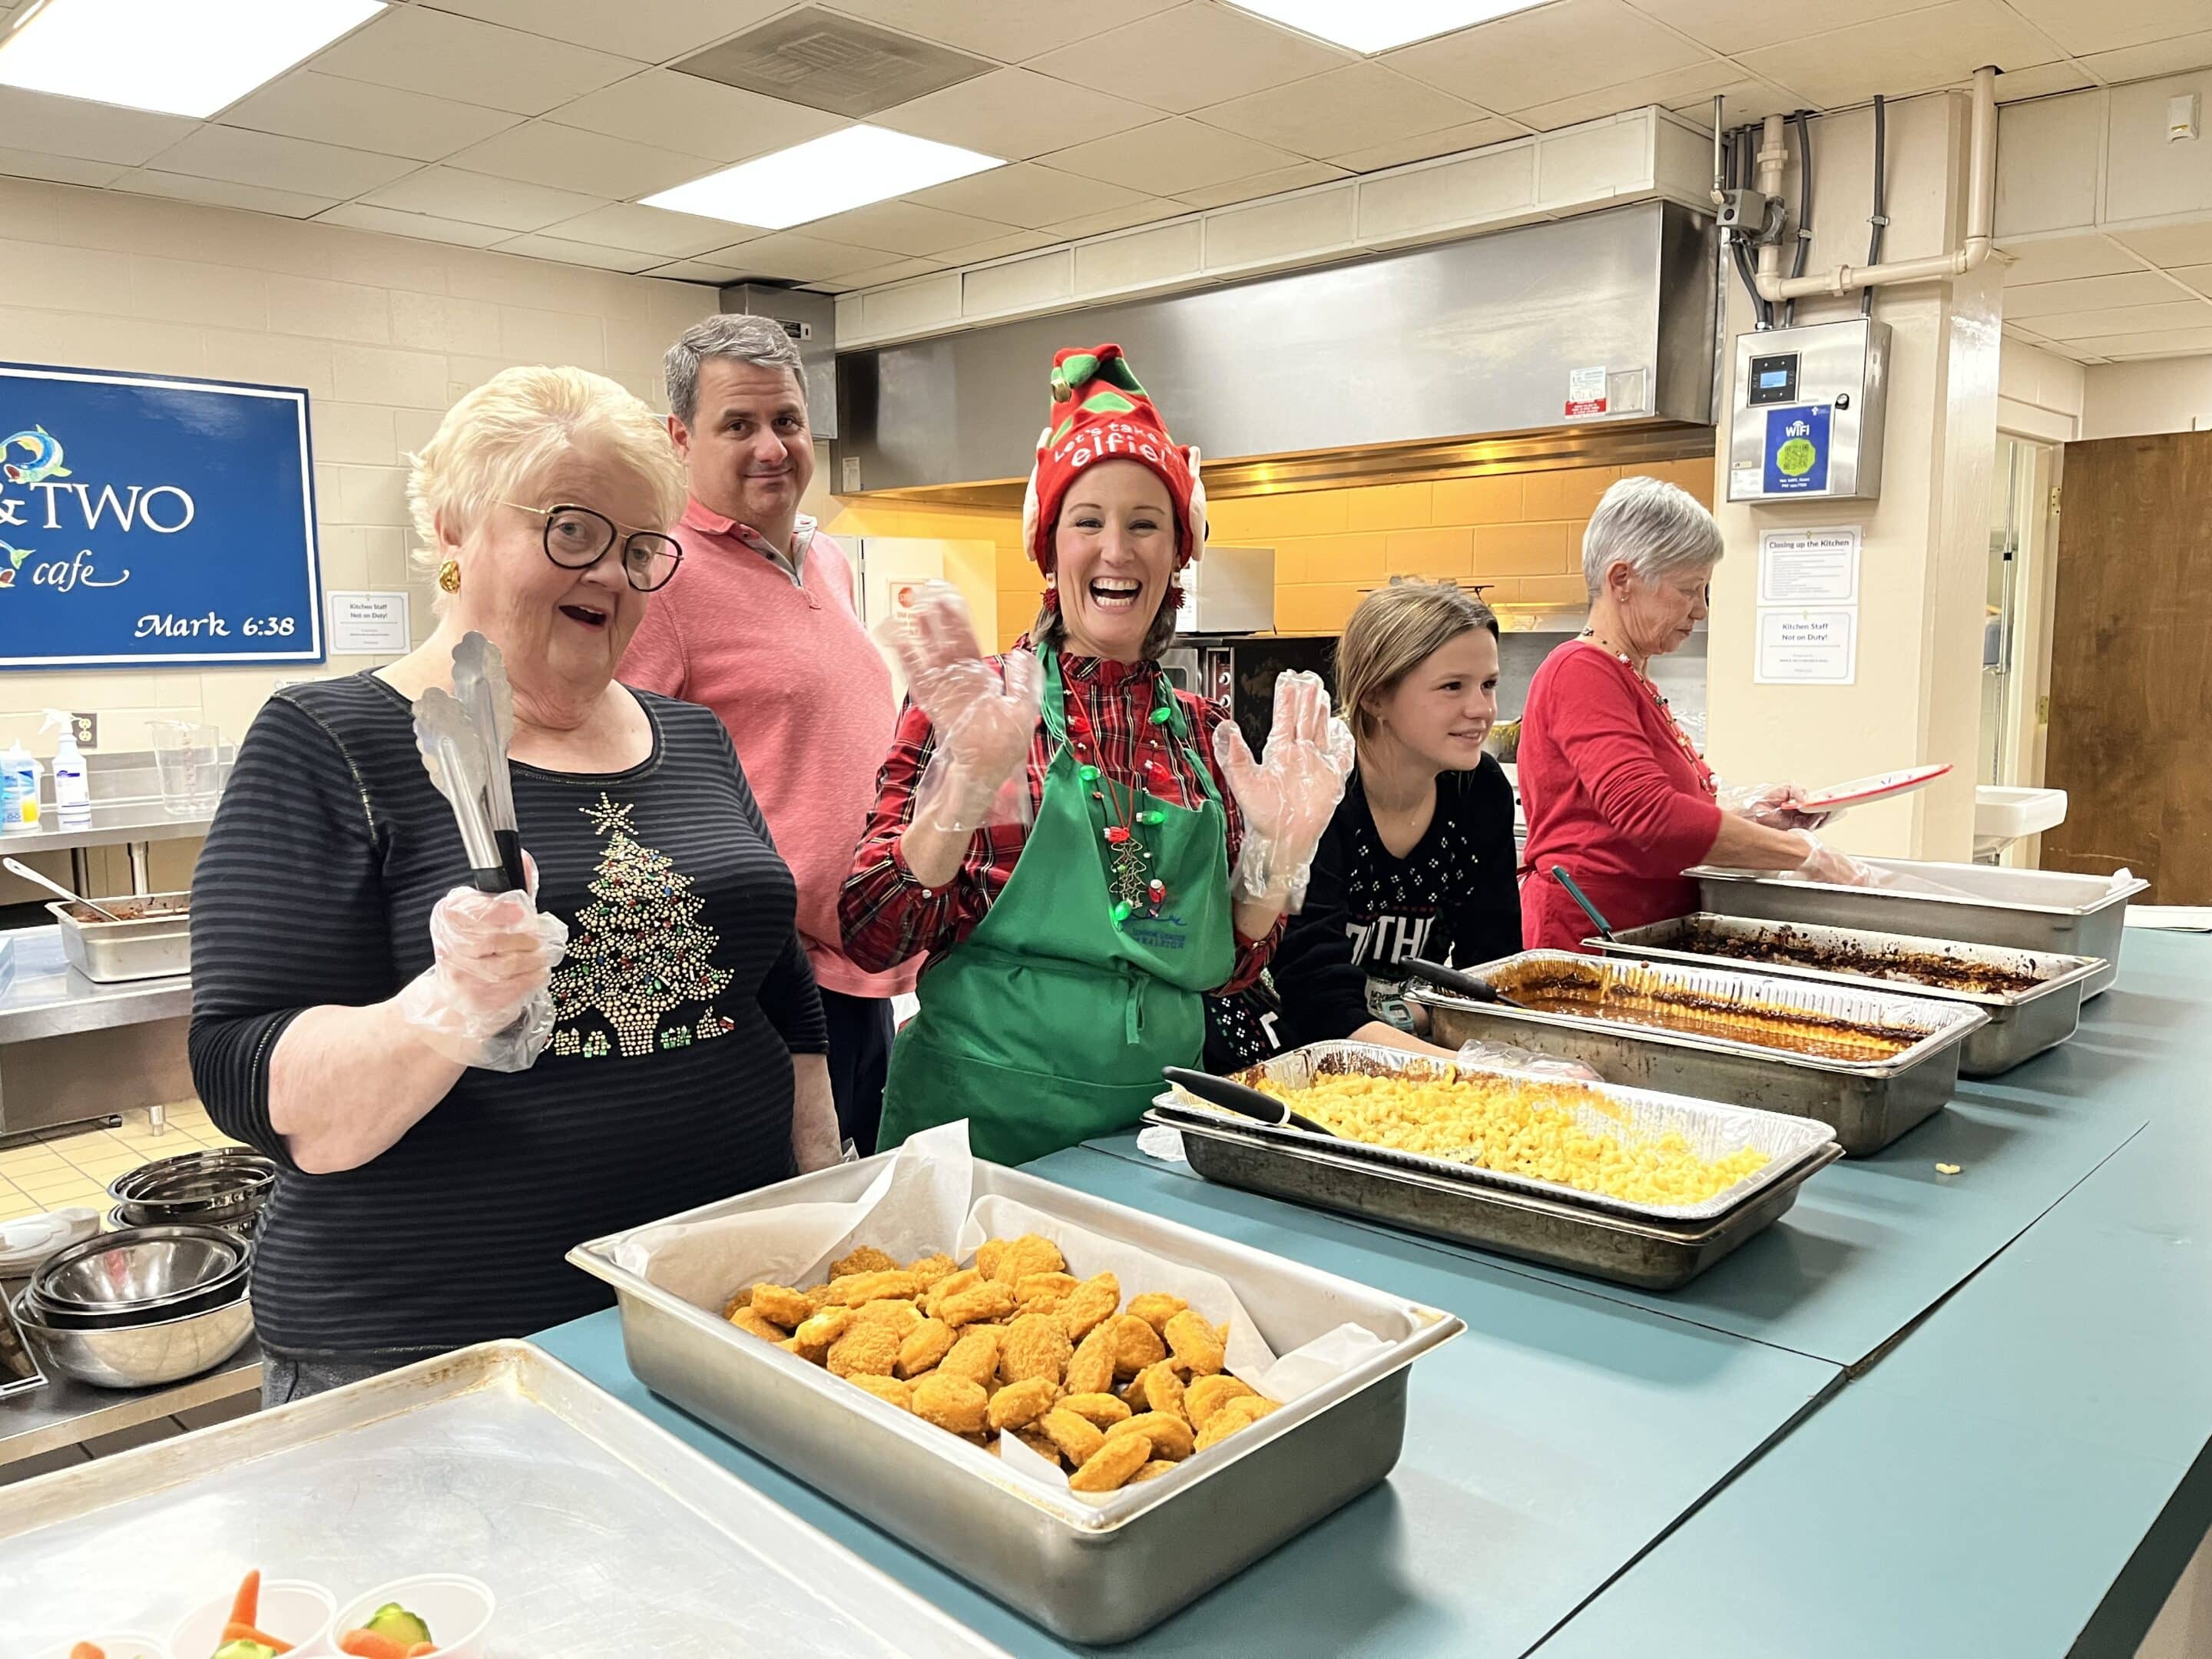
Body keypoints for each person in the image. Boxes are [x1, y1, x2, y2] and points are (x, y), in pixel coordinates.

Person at [190, 366, 840, 1406]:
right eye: (572, 531)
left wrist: (823, 1187)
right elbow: (242, 1067)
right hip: (441, 1353)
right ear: (454, 529)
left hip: (713, 1309)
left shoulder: (690, 736)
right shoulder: (332, 741)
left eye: (638, 548)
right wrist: (449, 1007)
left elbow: (771, 971)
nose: (616, 575)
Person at [839, 343, 1353, 1167]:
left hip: (1148, 1137)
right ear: (1049, 548)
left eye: (1145, 523)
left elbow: (1219, 972)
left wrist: (1274, 866)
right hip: (973, 1134)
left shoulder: (1201, 734)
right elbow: (871, 932)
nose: (1117, 550)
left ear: (1178, 555)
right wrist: (963, 789)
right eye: (1089, 521)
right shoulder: (981, 708)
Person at [620, 314, 912, 1157]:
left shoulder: (825, 561)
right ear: (680, 438)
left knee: (855, 1223)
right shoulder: (660, 576)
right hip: (764, 989)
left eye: (785, 421)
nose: (771, 447)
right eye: (737, 425)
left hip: (862, 973)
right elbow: (626, 790)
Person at [1518, 475, 1872, 952]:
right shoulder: (1580, 671)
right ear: (1622, 580)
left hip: (1636, 932)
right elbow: (1649, 816)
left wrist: (1752, 816)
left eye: (1705, 591)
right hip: (1592, 935)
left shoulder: (1629, 675)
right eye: (1688, 590)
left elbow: (1630, 817)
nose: (1701, 610)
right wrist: (1803, 855)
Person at [1206, 580, 1522, 1071]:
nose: (1482, 710)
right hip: (1279, 1060)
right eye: (1452, 686)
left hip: (1400, 1049)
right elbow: (1321, 1008)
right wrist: (1479, 1074)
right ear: (1375, 696)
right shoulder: (1322, 793)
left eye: (1489, 684)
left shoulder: (1480, 792)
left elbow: (1491, 970)